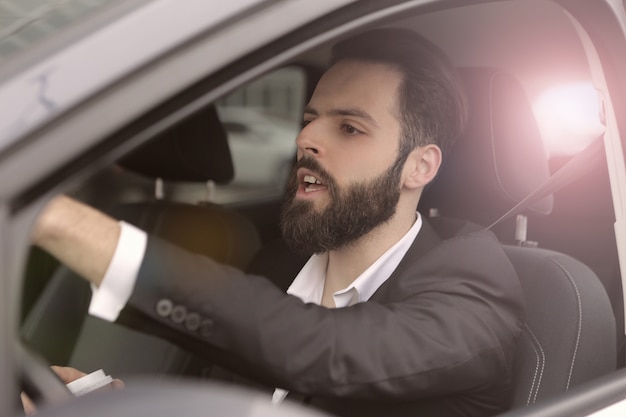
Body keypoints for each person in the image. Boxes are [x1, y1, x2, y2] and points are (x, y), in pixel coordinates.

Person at [31, 28, 524, 417]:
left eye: (349, 127)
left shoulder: (473, 292)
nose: (306, 138)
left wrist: (51, 217)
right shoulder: (276, 263)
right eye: (310, 118)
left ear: (420, 166)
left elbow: (325, 350)